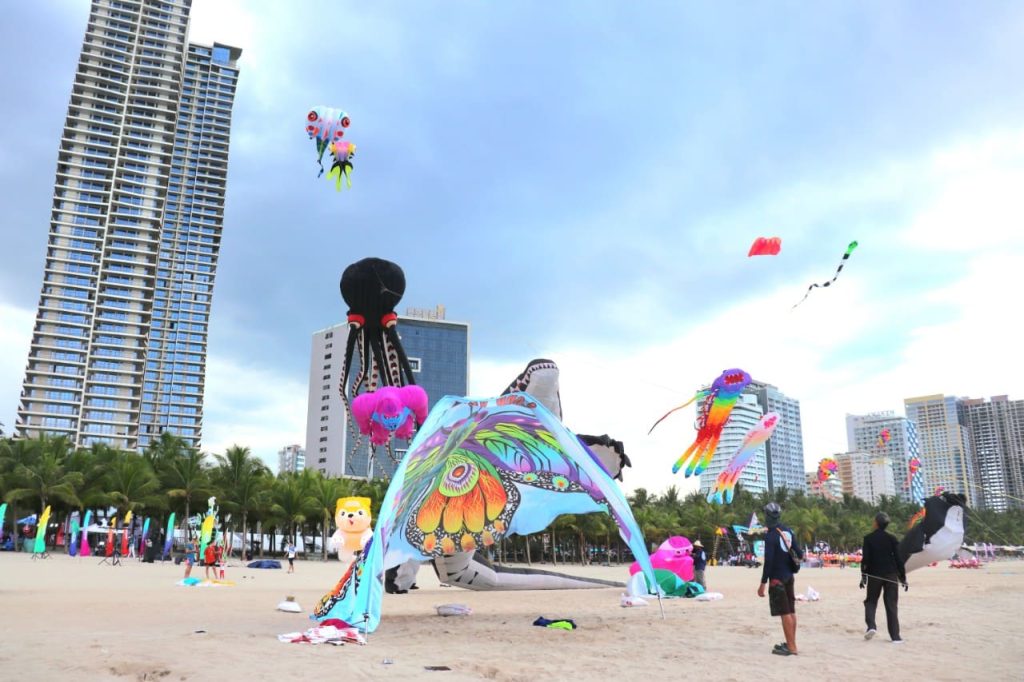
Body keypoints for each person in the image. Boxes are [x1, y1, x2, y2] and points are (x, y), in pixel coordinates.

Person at [757, 502, 803, 656]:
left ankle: (791, 647)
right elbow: (799, 552)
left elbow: (768, 562)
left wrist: (763, 583)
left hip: (777, 579)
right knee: (791, 610)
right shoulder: (788, 530)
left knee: (785, 613)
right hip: (789, 576)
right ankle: (791, 642)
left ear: (768, 517)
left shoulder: (770, 536)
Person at [860, 511, 907, 643]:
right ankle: (895, 637)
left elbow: (866, 559)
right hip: (891, 575)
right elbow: (899, 559)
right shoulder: (892, 538)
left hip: (875, 575)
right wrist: (903, 577)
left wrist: (863, 576)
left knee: (870, 602)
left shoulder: (868, 538)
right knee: (891, 604)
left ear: (876, 523)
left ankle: (871, 626)